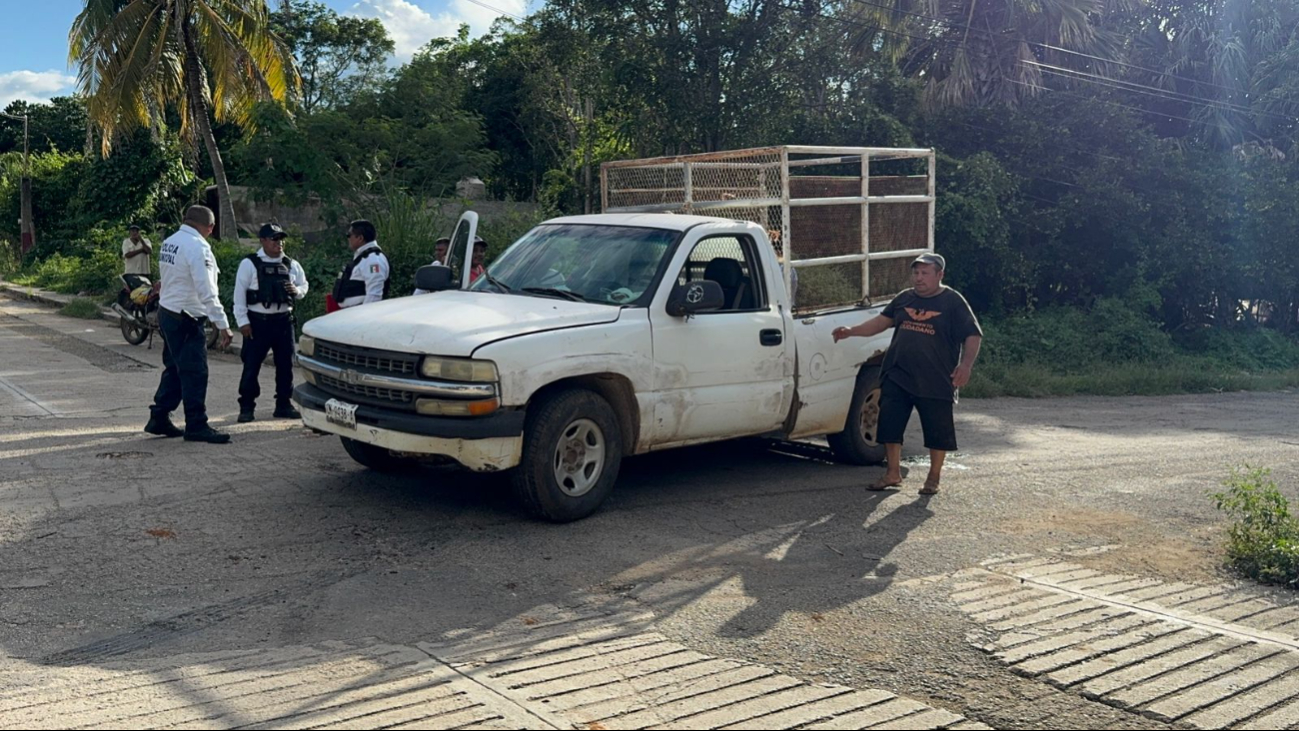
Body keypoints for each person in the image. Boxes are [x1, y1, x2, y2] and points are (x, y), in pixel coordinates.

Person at [832, 253, 982, 495]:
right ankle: (892, 473)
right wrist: (851, 331)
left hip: (937, 377)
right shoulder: (904, 298)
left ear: (939, 275)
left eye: (924, 273)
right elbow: (880, 323)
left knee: (937, 430)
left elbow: (973, 335)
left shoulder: (952, 301)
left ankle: (933, 478)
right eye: (916, 273)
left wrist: (965, 366)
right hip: (898, 374)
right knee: (890, 425)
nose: (919, 278)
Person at [145, 205, 235, 444]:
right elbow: (207, 289)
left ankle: (159, 417)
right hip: (186, 318)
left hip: (168, 313)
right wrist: (222, 323)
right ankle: (196, 424)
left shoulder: (171, 242)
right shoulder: (198, 247)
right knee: (195, 372)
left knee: (175, 368)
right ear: (210, 227)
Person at [234, 223, 309, 423]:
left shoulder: (291, 264)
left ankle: (283, 404)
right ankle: (247, 407)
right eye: (274, 239)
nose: (279, 243)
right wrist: (243, 322)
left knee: (285, 364)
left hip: (283, 320)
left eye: (281, 239)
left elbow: (303, 285)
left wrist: (297, 291)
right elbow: (239, 296)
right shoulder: (250, 263)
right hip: (257, 321)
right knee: (251, 365)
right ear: (263, 241)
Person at [332, 219, 390, 309]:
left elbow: (374, 295)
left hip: (359, 314)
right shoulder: (363, 257)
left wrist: (363, 318)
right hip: (350, 313)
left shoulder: (373, 260)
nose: (348, 238)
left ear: (360, 238)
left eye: (349, 235)